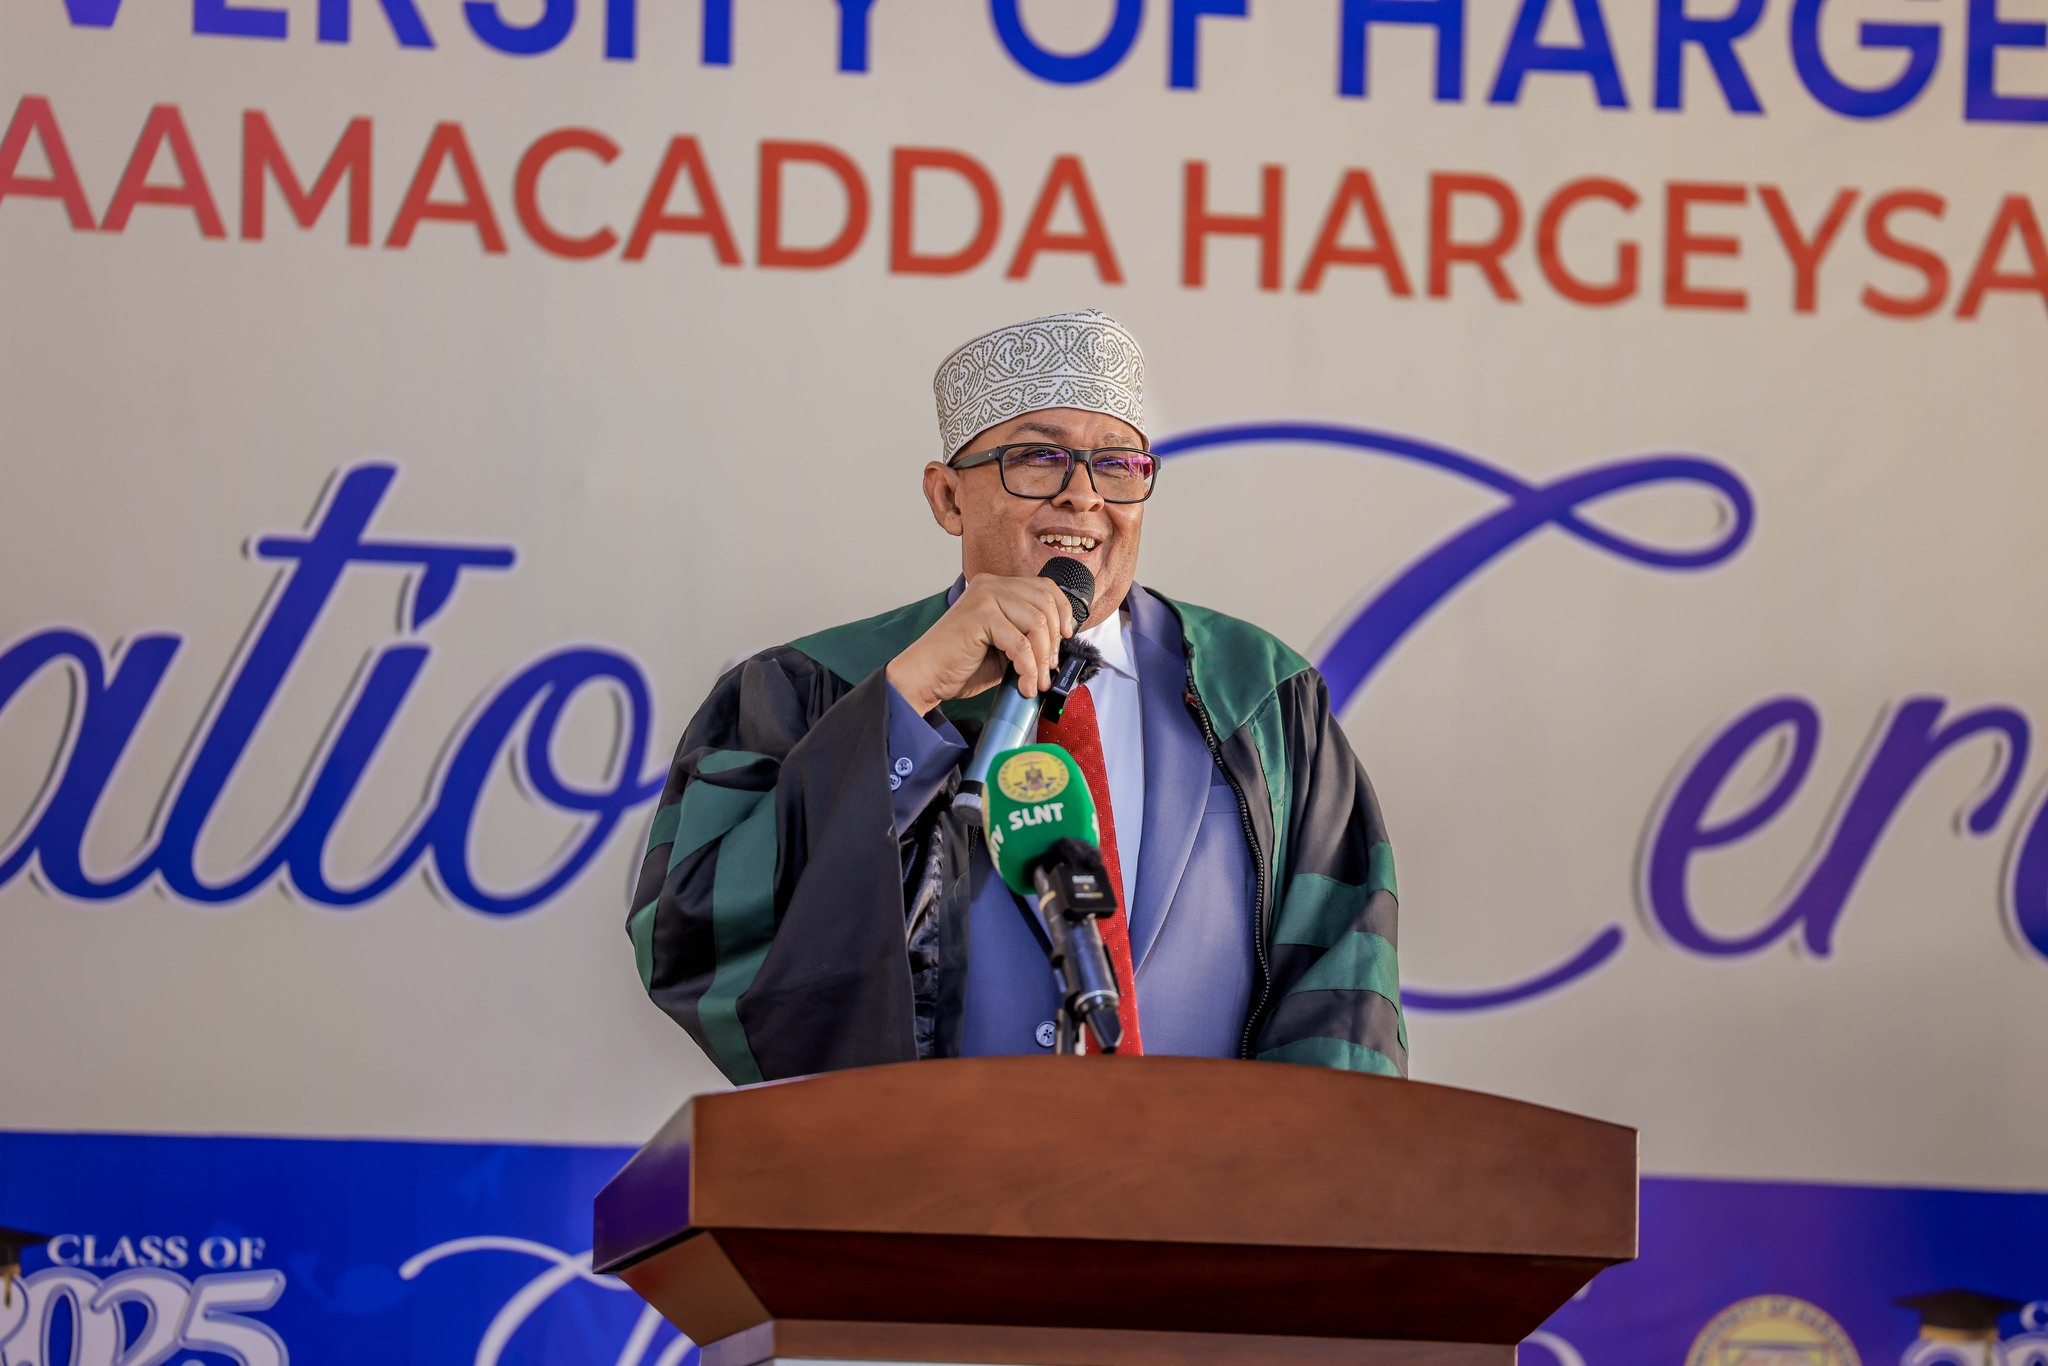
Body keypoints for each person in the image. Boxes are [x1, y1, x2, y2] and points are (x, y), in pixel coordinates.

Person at [627, 310, 1404, 1084]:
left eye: (1117, 465)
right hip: (915, 1160)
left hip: (1197, 1163)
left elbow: (1342, 991)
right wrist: (901, 710)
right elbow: (694, 939)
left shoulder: (1261, 696)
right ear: (947, 498)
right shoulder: (808, 687)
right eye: (1038, 458)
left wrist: (1294, 1159)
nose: (1083, 496)